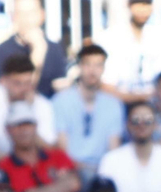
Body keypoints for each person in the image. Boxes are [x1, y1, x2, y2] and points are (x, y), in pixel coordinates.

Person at [0, 54, 58, 167]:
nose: (24, 89)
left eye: (28, 83)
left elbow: (50, 150)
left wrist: (28, 112)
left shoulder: (42, 104)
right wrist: (17, 160)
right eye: (18, 83)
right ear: (3, 81)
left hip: (30, 165)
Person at [54, 44, 126, 175]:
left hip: (103, 171)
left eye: (98, 65)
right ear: (79, 66)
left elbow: (114, 147)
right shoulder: (61, 101)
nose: (93, 71)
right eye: (88, 64)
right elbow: (62, 147)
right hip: (71, 170)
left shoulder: (114, 104)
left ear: (104, 68)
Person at [0, 0, 67, 99]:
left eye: (31, 13)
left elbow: (60, 91)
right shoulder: (2, 51)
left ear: (42, 15)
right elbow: (20, 93)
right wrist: (38, 51)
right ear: (13, 17)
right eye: (21, 13)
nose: (27, 19)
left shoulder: (55, 49)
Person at [103, 0, 161, 99]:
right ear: (128, 5)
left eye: (146, 4)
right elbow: (106, 85)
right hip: (121, 102)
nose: (142, 9)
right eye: (138, 4)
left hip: (156, 104)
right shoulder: (112, 36)